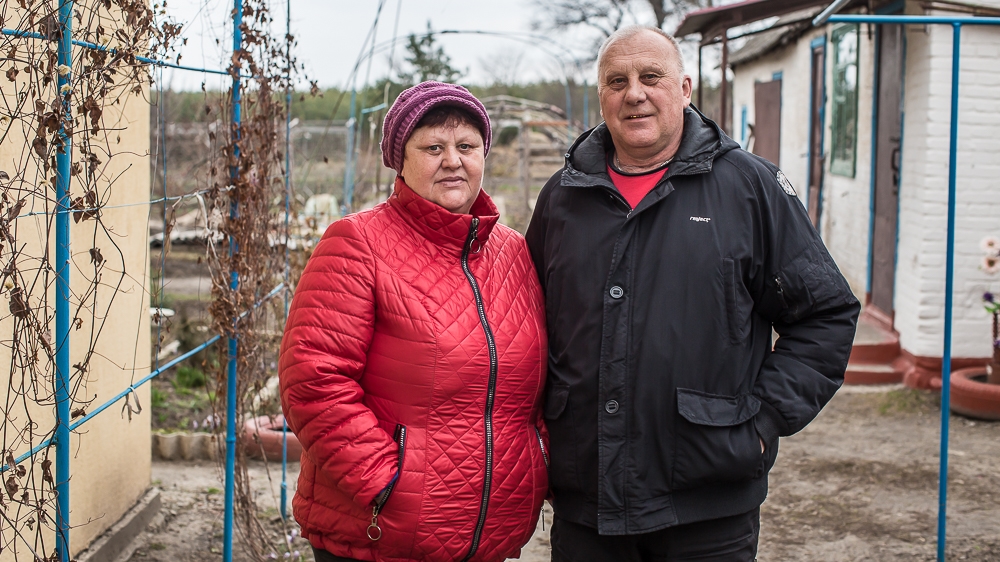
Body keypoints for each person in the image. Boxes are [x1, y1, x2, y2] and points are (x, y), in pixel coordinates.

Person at [525, 26, 860, 561]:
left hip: (707, 500)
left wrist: (763, 420)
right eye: (617, 81)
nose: (634, 93)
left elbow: (825, 314)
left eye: (650, 77)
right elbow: (527, 324)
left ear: (684, 88)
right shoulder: (564, 197)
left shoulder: (749, 188)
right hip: (587, 500)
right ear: (602, 97)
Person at [280, 81, 549, 562]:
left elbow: (538, 382)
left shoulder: (513, 252)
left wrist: (537, 461)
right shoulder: (358, 242)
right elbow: (314, 381)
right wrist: (388, 483)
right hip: (380, 535)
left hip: (488, 534)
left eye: (467, 146)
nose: (453, 160)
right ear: (398, 159)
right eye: (433, 147)